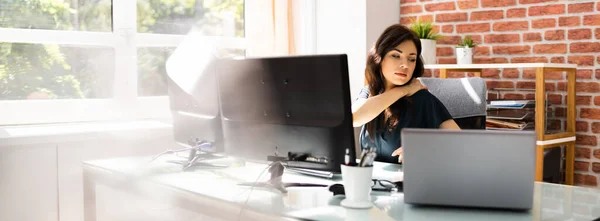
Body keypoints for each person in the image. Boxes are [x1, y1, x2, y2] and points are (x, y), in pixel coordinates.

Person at [352, 24, 460, 164]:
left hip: (409, 183)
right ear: (379, 58)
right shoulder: (370, 92)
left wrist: (427, 148)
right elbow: (355, 117)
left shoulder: (422, 98)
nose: (405, 65)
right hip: (372, 182)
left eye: (411, 59)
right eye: (396, 56)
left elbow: (461, 143)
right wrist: (403, 90)